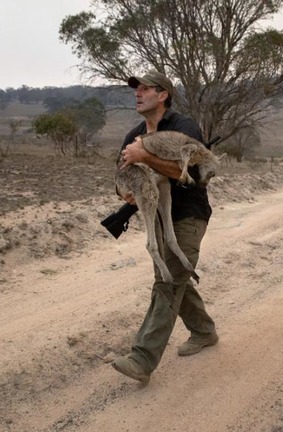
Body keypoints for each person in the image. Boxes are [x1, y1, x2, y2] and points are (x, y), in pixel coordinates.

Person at [112, 69, 219, 383]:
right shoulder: (132, 134)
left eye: (146, 88)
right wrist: (126, 195)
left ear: (163, 95)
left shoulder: (183, 127)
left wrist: (145, 154)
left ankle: (142, 358)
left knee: (168, 281)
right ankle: (204, 331)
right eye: (137, 89)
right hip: (155, 216)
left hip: (188, 213)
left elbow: (195, 173)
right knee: (173, 275)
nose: (138, 93)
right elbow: (120, 175)